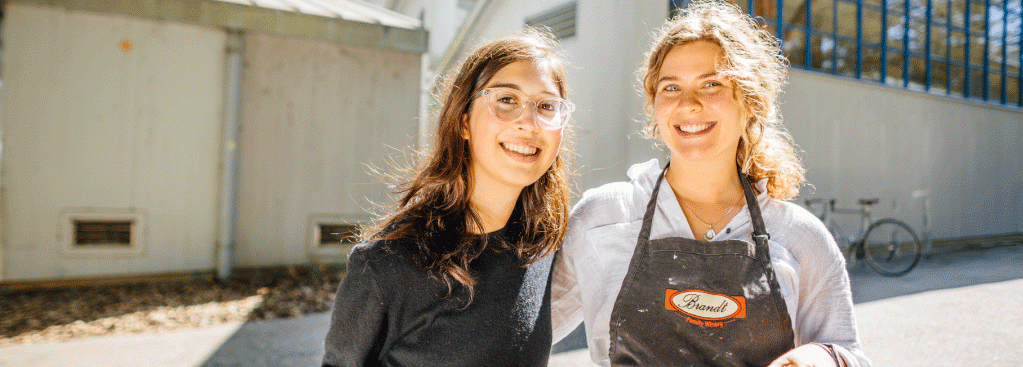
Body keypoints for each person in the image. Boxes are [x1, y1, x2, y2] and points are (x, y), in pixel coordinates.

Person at [551, 2, 871, 366]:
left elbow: (848, 353)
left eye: (711, 83)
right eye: (671, 87)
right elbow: (519, 330)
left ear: (750, 101)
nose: (688, 104)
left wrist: (819, 358)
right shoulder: (602, 217)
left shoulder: (800, 238)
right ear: (654, 104)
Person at [320, 29, 574, 367]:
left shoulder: (541, 249)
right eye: (507, 100)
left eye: (546, 106)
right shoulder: (387, 266)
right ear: (464, 122)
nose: (529, 123)